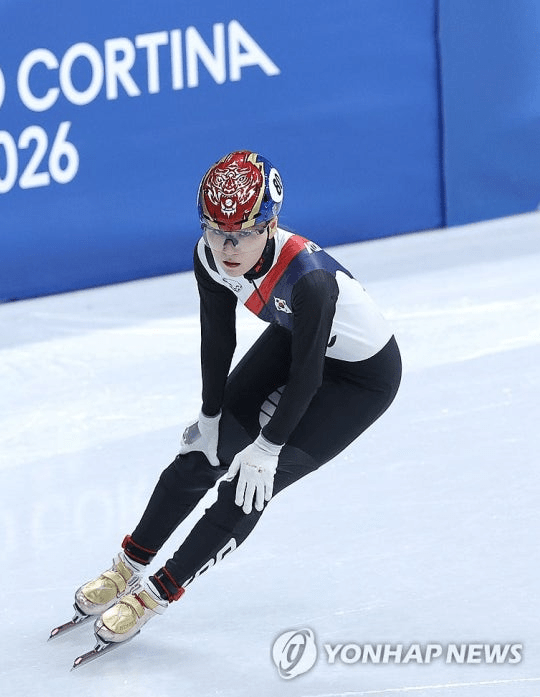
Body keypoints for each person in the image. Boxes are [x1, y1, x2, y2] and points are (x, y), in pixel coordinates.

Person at [71, 150, 402, 646]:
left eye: (244, 233)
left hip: (359, 378)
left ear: (271, 226)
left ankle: (156, 595)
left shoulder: (310, 280)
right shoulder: (210, 256)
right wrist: (209, 416)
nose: (228, 247)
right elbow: (217, 337)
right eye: (215, 229)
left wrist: (268, 449)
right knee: (201, 454)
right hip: (296, 338)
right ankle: (127, 565)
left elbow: (309, 375)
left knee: (249, 484)